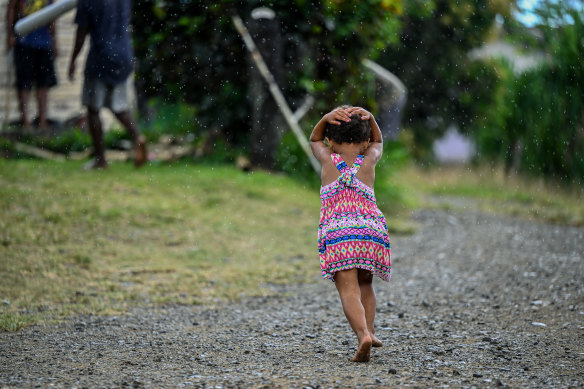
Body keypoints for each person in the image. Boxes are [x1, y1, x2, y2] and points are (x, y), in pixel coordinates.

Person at [309, 106, 391, 362]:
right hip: (370, 232)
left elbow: (314, 139)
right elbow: (378, 140)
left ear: (330, 141)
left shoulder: (326, 159)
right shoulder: (368, 159)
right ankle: (372, 330)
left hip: (340, 234)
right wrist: (372, 118)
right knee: (366, 284)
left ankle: (363, 335)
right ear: (365, 142)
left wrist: (324, 119)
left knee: (348, 291)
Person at [68, 0, 146, 169]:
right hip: (123, 55)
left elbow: (81, 32)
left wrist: (73, 59)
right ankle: (138, 137)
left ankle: (100, 159)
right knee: (119, 106)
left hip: (100, 57)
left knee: (93, 109)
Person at [6, 0, 58, 129]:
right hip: (24, 40)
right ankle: (25, 121)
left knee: (43, 82)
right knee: (24, 82)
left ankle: (42, 120)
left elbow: (52, 14)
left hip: (44, 42)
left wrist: (54, 40)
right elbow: (12, 8)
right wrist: (10, 34)